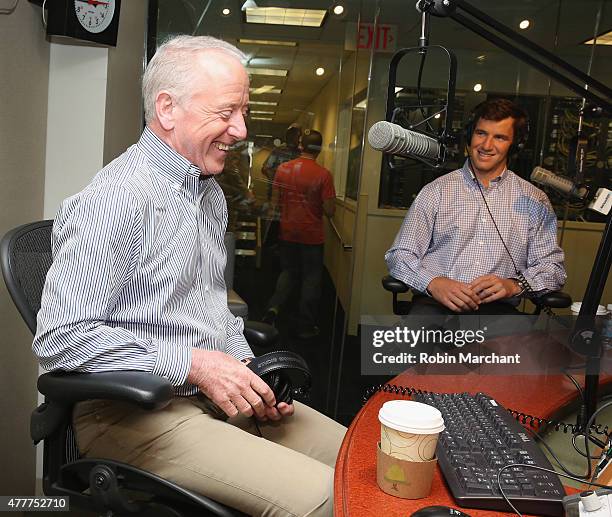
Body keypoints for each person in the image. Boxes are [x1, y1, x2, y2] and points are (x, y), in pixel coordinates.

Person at [33, 35, 345, 517]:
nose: (240, 129)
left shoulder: (207, 193)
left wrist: (249, 376)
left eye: (242, 111)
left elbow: (209, 311)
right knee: (328, 500)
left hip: (206, 397)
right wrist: (193, 364)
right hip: (130, 411)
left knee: (360, 463)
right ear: (167, 108)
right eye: (225, 113)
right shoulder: (119, 199)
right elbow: (60, 338)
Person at [386, 98, 566, 316]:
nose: (487, 145)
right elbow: (400, 254)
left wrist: (513, 285)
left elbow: (552, 269)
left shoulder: (533, 200)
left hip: (499, 312)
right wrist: (433, 282)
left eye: (499, 137)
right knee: (414, 346)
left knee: (523, 350)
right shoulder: (436, 191)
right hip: (435, 305)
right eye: (481, 133)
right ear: (470, 136)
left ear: (515, 144)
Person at [263, 129, 336, 339]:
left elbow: (275, 203)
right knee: (311, 279)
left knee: (288, 272)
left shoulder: (284, 169)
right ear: (319, 149)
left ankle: (272, 310)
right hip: (312, 236)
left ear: (301, 146)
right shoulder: (323, 175)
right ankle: (305, 326)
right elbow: (330, 210)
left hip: (287, 232)